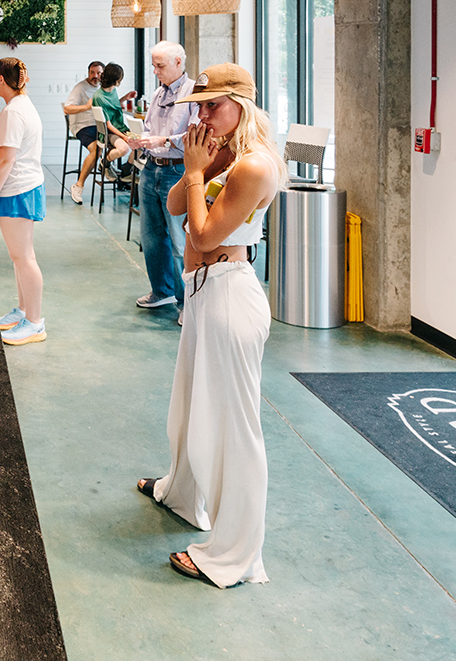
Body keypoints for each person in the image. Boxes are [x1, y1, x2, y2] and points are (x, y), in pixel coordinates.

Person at [136, 63, 286, 589]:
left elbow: (199, 236)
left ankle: (235, 556)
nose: (202, 114)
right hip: (203, 296)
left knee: (234, 432)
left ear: (240, 106)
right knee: (188, 406)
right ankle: (181, 493)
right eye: (198, 105)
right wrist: (197, 165)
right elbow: (178, 203)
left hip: (228, 294)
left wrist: (201, 171)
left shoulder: (254, 167)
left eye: (213, 105)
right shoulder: (225, 156)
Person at [125, 41, 198, 316]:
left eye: (160, 65)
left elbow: (194, 136)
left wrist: (164, 139)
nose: (155, 70)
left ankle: (186, 303)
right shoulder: (157, 94)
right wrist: (140, 141)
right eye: (153, 65)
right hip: (151, 167)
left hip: (177, 170)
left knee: (180, 240)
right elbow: (148, 128)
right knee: (152, 236)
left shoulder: (193, 94)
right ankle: (162, 291)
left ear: (179, 63)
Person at [0, 57, 46, 346]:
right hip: (24, 186)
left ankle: (34, 323)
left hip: (17, 188)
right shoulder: (21, 106)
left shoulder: (13, 112)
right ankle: (23, 312)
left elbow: (6, 159)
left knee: (24, 257)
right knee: (19, 257)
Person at [63, 60, 102, 204]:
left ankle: (109, 168)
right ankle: (78, 186)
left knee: (120, 140)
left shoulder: (103, 88)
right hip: (82, 126)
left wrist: (125, 99)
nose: (95, 76)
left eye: (98, 73)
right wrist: (86, 107)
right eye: (92, 72)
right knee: (97, 149)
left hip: (99, 125)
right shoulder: (81, 87)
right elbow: (67, 109)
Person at [90, 62, 138, 177]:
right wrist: (124, 137)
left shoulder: (112, 91)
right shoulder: (99, 97)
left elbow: (113, 107)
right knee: (124, 149)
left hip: (120, 129)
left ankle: (126, 171)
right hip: (109, 133)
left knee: (141, 144)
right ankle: (105, 162)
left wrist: (125, 98)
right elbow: (108, 125)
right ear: (116, 81)